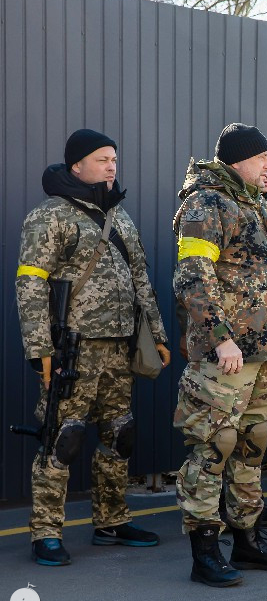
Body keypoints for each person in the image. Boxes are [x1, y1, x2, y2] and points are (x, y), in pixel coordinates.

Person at [15, 129, 170, 566]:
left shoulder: (119, 217)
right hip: (72, 351)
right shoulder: (50, 216)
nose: (111, 166)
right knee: (62, 440)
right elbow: (30, 284)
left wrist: (156, 334)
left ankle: (112, 521)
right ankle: (45, 532)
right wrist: (38, 346)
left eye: (114, 159)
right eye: (102, 159)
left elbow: (141, 280)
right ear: (76, 166)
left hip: (120, 348)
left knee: (119, 436)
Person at [173, 123, 267, 587]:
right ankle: (204, 549)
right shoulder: (207, 203)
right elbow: (193, 275)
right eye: (262, 157)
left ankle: (246, 539)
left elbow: (247, 272)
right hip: (225, 353)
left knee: (251, 443)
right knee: (213, 446)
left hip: (262, 353)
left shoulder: (255, 205)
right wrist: (221, 336)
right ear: (236, 161)